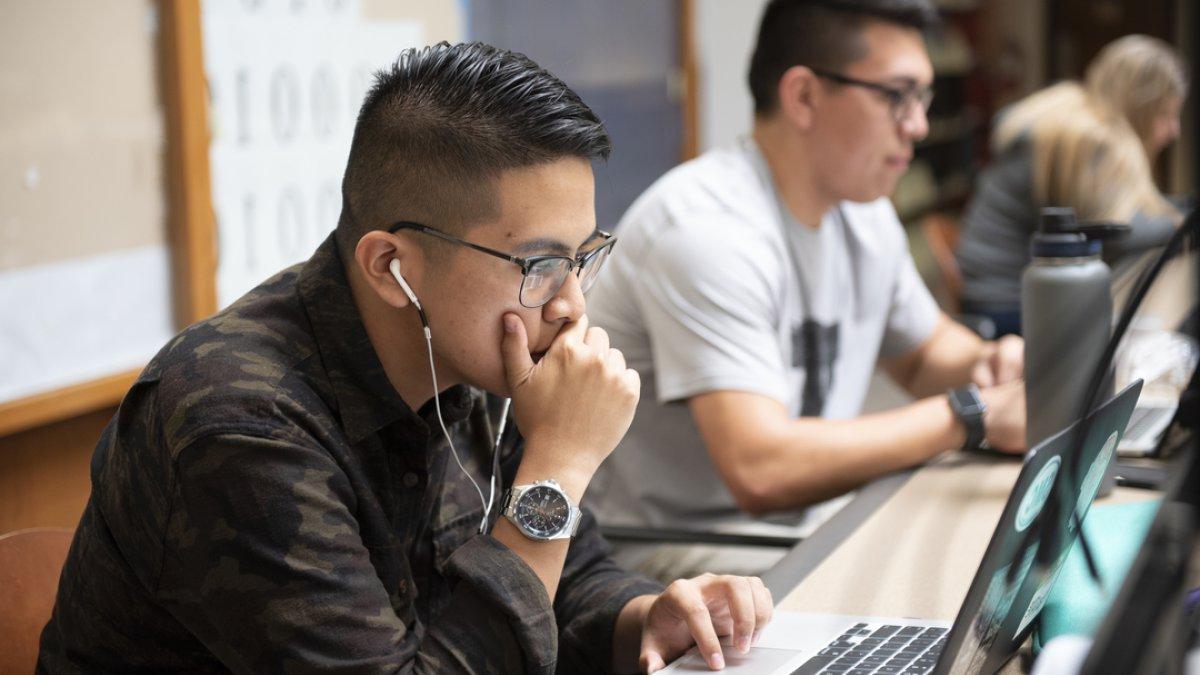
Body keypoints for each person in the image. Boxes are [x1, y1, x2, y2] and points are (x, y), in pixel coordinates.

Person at [38, 42, 772, 674]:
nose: (572, 303)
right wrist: (560, 463)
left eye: (583, 257)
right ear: (393, 266)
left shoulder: (469, 345)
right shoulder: (236, 422)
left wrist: (643, 617)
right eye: (540, 263)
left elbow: (569, 576)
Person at [584, 0, 1028, 580]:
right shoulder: (705, 229)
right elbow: (761, 470)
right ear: (803, 97)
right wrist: (971, 414)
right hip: (675, 548)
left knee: (982, 549)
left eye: (922, 100)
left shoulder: (862, 212)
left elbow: (923, 356)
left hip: (802, 523)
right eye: (897, 95)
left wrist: (990, 363)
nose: (917, 125)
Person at [956, 34, 1188, 336]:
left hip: (989, 290)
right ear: (1141, 106)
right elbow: (1113, 231)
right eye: (1166, 115)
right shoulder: (1090, 138)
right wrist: (1181, 223)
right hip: (1008, 307)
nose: (1175, 130)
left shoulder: (1071, 112)